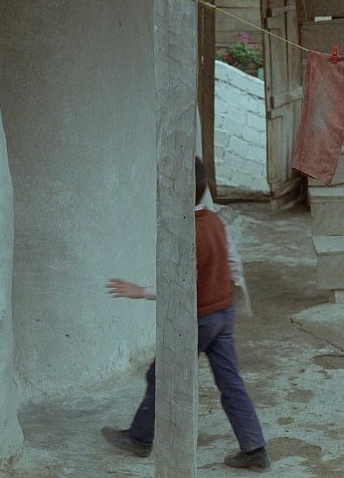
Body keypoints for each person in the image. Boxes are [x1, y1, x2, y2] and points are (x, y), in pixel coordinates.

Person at [101, 157, 270, 471]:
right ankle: (255, 447)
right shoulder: (215, 221)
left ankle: (140, 438)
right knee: (231, 382)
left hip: (199, 319)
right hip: (223, 314)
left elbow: (180, 284)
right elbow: (233, 263)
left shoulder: (186, 232)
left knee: (160, 374)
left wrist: (141, 291)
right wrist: (231, 298)